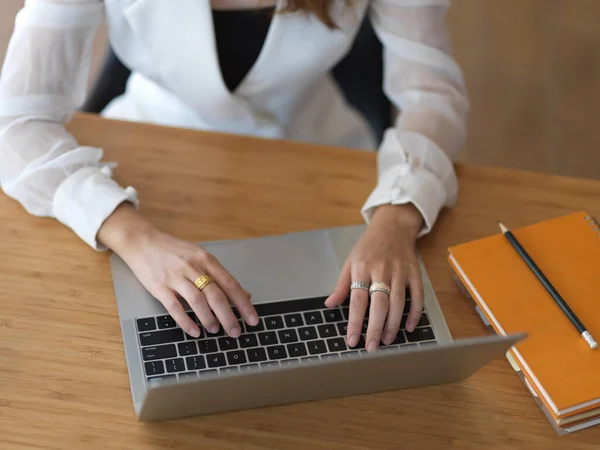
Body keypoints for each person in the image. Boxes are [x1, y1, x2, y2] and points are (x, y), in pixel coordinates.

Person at [0, 0, 468, 353]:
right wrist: (132, 235)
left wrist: (399, 215)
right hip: (154, 154)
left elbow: (432, 93)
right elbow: (15, 123)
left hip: (318, 159)